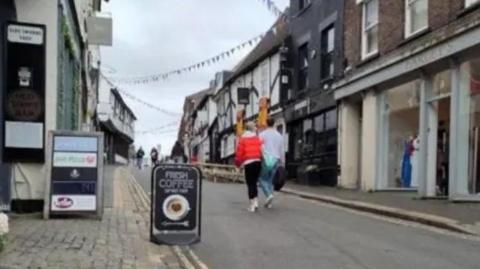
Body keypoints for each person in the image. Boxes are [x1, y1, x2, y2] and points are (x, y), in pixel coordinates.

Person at [235, 122, 263, 212]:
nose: (256, 127)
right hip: (258, 162)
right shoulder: (257, 138)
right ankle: (256, 202)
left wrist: (238, 164)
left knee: (250, 184)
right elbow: (261, 149)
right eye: (255, 126)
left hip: (249, 163)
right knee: (255, 183)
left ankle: (251, 205)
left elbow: (239, 153)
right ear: (252, 128)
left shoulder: (243, 139)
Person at [259, 118, 285, 209]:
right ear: (274, 124)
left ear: (266, 124)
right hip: (276, 159)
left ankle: (268, 195)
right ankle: (269, 203)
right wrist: (282, 162)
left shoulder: (262, 134)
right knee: (270, 180)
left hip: (266, 159)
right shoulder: (279, 136)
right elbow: (282, 150)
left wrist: (260, 158)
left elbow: (260, 147)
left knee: (261, 179)